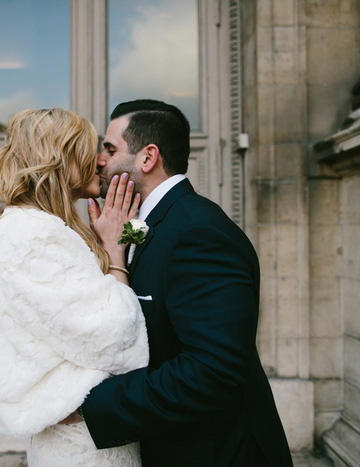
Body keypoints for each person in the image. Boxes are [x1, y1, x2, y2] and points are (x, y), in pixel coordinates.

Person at [75, 99, 293, 466]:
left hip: (217, 453)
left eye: (110, 149)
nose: (99, 160)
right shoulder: (149, 223)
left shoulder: (198, 232)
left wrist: (91, 406)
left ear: (148, 158)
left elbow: (212, 371)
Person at [0, 108, 149, 465]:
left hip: (93, 433)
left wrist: (123, 235)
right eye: (90, 150)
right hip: (83, 446)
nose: (101, 162)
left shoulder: (54, 226)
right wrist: (114, 251)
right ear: (60, 158)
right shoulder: (32, 234)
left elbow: (123, 262)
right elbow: (117, 339)